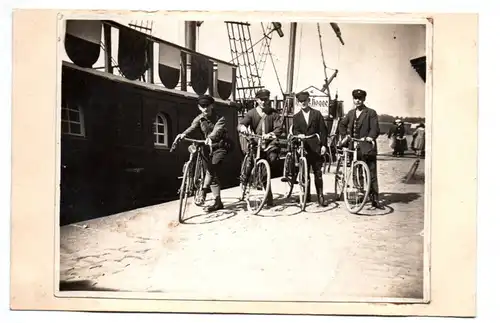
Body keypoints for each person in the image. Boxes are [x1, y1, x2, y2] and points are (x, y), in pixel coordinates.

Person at [175, 94, 229, 212]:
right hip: (206, 147)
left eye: (207, 106)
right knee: (210, 173)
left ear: (212, 106)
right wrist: (184, 134)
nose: (205, 109)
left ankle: (203, 191)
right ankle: (218, 202)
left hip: (220, 146)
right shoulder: (199, 119)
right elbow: (192, 127)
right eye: (202, 106)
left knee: (212, 169)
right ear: (199, 107)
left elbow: (217, 130)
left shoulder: (220, 118)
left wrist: (210, 138)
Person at [338, 89, 384, 209]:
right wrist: (345, 136)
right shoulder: (351, 113)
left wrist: (370, 137)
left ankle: (375, 200)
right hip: (354, 147)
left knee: (371, 174)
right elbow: (342, 124)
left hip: (367, 147)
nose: (357, 101)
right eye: (355, 98)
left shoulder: (371, 113)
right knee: (356, 171)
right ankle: (360, 194)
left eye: (360, 98)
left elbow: (375, 128)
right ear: (353, 99)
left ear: (364, 99)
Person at [238, 89, 283, 207]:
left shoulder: (274, 114)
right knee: (249, 165)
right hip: (256, 142)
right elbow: (242, 124)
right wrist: (243, 128)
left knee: (270, 161)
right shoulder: (251, 113)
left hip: (270, 144)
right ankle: (245, 184)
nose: (264, 102)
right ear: (257, 100)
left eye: (266, 99)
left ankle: (268, 195)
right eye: (261, 100)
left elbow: (279, 128)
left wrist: (271, 134)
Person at [292, 91, 328, 207]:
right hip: (304, 147)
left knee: (318, 173)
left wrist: (323, 145)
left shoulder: (316, 114)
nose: (303, 103)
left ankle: (320, 197)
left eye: (305, 101)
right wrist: (299, 135)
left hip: (315, 147)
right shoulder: (296, 117)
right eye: (301, 101)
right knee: (304, 173)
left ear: (309, 101)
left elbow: (323, 130)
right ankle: (306, 196)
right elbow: (295, 130)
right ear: (299, 102)